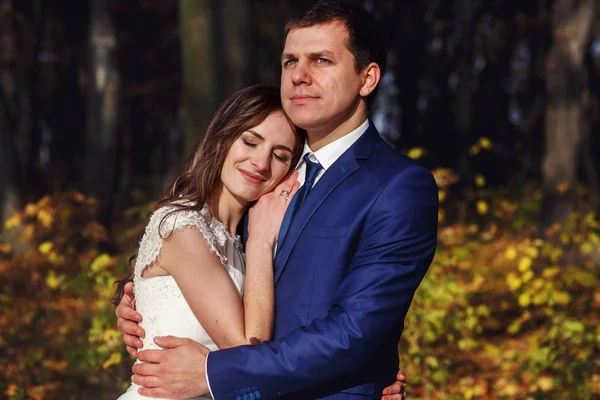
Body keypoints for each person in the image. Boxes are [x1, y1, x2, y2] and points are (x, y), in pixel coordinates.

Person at [117, 1, 437, 399]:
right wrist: (141, 309)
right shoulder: (262, 183)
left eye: (321, 60)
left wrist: (212, 373)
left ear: (367, 78)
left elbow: (353, 332)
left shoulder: (398, 186)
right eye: (289, 62)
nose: (299, 76)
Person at [115, 84, 304, 399]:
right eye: (250, 141)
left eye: (280, 155)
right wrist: (260, 242)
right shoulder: (180, 225)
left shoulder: (239, 242)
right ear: (222, 138)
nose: (261, 163)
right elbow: (246, 352)